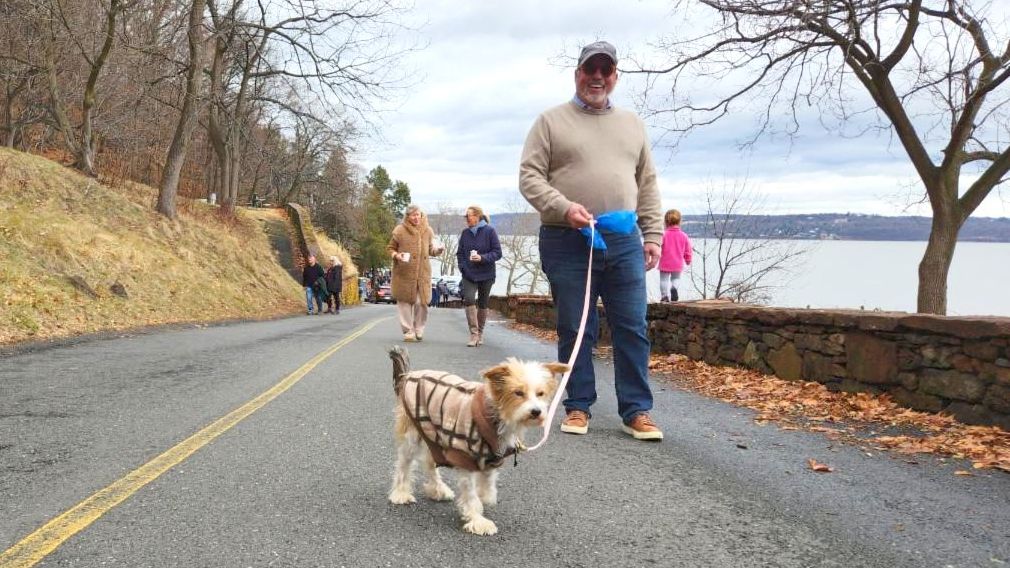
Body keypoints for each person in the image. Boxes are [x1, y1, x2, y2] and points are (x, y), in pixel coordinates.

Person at [519, 40, 664, 441]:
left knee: (632, 325)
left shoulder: (632, 124)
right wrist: (563, 207)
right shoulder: (550, 122)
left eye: (606, 70)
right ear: (578, 74)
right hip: (566, 239)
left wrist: (652, 234)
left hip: (623, 240)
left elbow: (646, 183)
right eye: (590, 70)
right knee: (575, 326)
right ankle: (577, 405)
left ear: (614, 76)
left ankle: (637, 410)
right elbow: (529, 178)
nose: (597, 77)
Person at [387, 205, 443, 341]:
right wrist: (397, 256)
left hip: (422, 273)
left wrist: (438, 250)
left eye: (418, 214)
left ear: (421, 215)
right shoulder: (399, 230)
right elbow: (390, 248)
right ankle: (408, 331)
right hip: (403, 273)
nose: (416, 217)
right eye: (413, 215)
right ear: (408, 216)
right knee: (404, 303)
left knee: (421, 302)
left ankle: (419, 328)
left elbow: (430, 250)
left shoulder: (428, 230)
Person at [456, 205, 502, 347]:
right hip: (469, 274)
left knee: (483, 303)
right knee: (469, 299)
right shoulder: (465, 233)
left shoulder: (490, 231)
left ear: (477, 216)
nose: (466, 218)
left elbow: (497, 253)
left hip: (486, 274)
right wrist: (463, 267)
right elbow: (460, 254)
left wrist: (482, 258)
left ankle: (480, 332)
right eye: (466, 216)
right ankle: (474, 334)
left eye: (468, 216)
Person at [659, 209, 692, 302]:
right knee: (676, 278)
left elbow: (658, 246)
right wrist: (688, 260)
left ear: (666, 221)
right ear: (679, 221)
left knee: (663, 280)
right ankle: (674, 288)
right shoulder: (684, 235)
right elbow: (688, 250)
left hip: (665, 261)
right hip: (677, 262)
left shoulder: (664, 235)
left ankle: (664, 296)